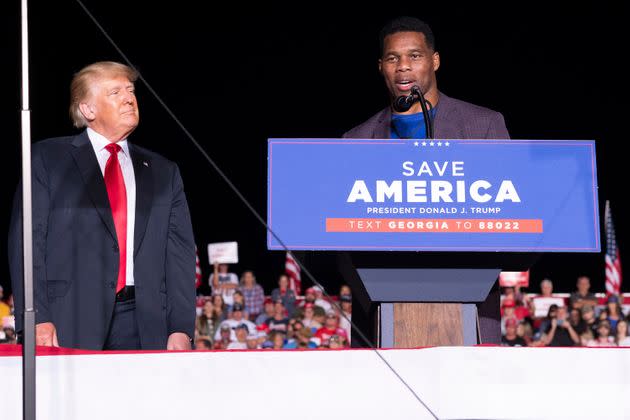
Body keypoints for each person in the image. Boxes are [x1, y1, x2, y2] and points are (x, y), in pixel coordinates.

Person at [343, 16, 509, 343]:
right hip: (378, 313)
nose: (403, 67)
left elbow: (509, 210)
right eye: (393, 58)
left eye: (414, 56)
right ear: (381, 66)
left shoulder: (484, 127)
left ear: (435, 60)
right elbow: (341, 237)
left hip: (468, 309)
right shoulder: (356, 141)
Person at [8, 61, 196, 350]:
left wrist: (181, 328)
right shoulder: (47, 159)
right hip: (67, 320)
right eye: (115, 92)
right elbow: (28, 243)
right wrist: (36, 317)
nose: (128, 98)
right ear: (88, 109)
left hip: (147, 326)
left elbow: (180, 256)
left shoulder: (164, 172)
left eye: (131, 90)